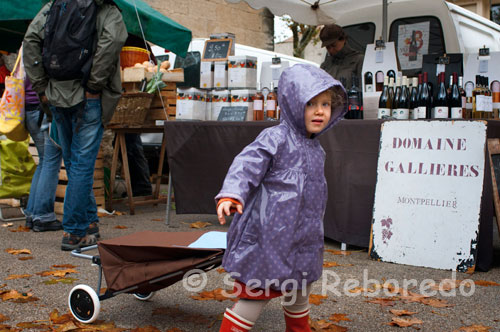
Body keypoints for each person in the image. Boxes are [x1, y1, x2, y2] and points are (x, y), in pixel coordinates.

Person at [215, 64, 347, 332]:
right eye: (311, 103)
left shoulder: (316, 148)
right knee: (255, 297)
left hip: (304, 239)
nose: (320, 111)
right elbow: (246, 164)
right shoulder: (275, 138)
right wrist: (231, 193)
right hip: (269, 238)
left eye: (325, 104)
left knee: (299, 294)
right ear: (293, 103)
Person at [23, 0, 127, 250]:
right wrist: (94, 85)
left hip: (57, 96)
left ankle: (88, 222)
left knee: (73, 163)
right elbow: (111, 43)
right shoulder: (107, 10)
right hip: (87, 98)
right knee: (81, 165)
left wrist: (41, 86)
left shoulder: (55, 5)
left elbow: (30, 40)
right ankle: (75, 231)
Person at [23, 75, 63, 232]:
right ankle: (43, 215)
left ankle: (32, 213)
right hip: (41, 108)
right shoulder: (42, 49)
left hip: (28, 107)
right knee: (50, 162)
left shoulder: (24, 50)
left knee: (44, 161)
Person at [319, 24, 364, 90]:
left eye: (334, 45)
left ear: (343, 39)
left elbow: (363, 90)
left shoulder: (359, 60)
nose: (331, 50)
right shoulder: (325, 66)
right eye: (328, 47)